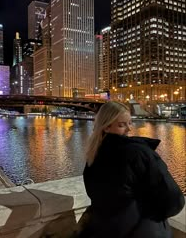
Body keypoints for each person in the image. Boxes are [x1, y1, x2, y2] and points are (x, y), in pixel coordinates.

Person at [78, 101, 185, 238]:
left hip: (106, 230)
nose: (129, 129)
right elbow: (174, 200)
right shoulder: (138, 153)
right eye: (122, 125)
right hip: (143, 230)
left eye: (130, 122)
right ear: (106, 127)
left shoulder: (93, 155)